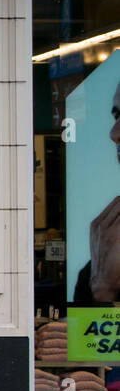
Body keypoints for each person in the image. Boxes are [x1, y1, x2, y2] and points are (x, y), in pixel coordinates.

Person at [78, 77, 120, 305]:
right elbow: (88, 336)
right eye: (117, 116)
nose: (114, 133)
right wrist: (102, 290)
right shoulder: (105, 252)